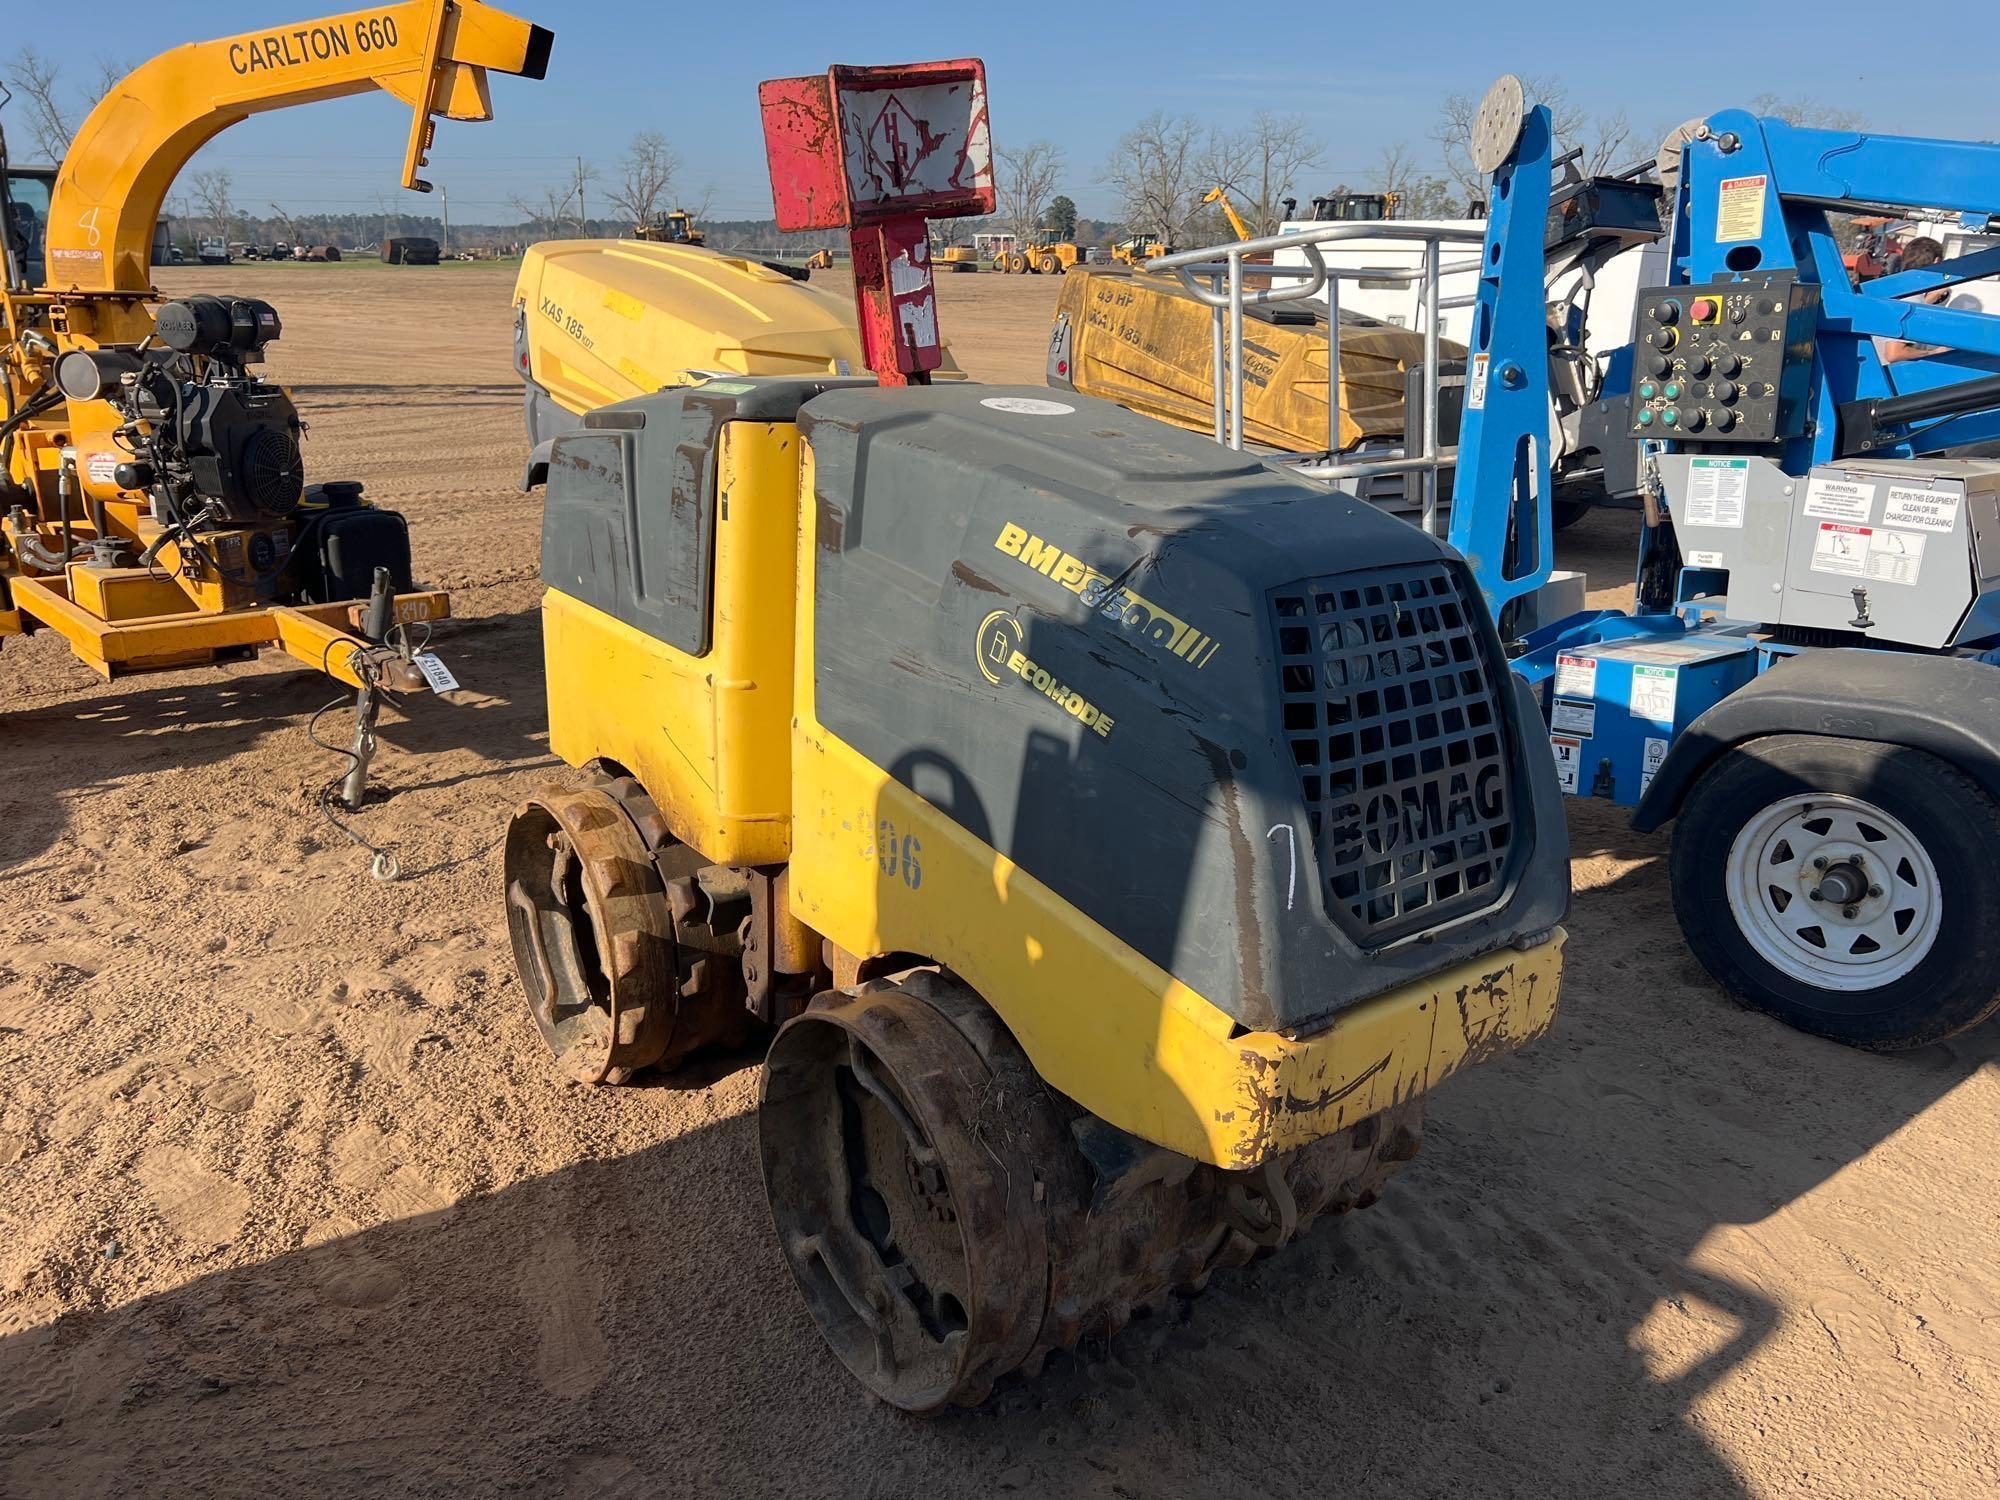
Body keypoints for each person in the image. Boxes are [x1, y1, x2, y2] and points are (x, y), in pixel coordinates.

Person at [1879, 236, 1950, 365]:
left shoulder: (1896, 290)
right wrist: (1934, 353)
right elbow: (1894, 353)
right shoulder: (1912, 298)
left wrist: (1928, 300)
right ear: (1937, 261)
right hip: (1889, 378)